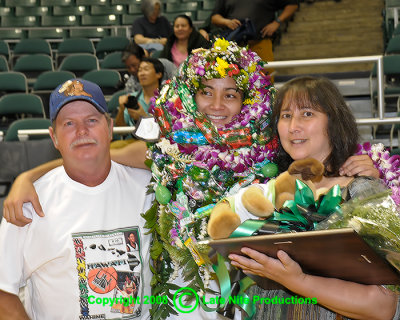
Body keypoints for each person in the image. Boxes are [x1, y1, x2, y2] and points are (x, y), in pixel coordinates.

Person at [1, 40, 384, 318]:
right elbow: (94, 153)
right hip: (190, 304)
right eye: (206, 93)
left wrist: (371, 166)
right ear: (190, 96)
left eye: (230, 95)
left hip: (263, 303)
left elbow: (322, 160)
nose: (217, 106)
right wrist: (28, 176)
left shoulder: (271, 153)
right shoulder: (167, 151)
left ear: (247, 101)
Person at [228, 76, 400, 320]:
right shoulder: (262, 194)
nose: (293, 126)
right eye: (286, 116)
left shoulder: (362, 192)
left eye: (307, 114)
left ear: (334, 123)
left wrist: (298, 281)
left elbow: (383, 306)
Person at [0, 79, 153, 319]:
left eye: (91, 120)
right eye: (69, 123)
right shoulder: (27, 205)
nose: (82, 131)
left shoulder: (149, 187)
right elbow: (3, 292)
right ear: (54, 137)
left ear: (110, 127)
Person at [210, 0, 299, 63]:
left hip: (260, 43)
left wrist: (277, 22)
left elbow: (292, 4)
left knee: (265, 82)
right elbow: (214, 17)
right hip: (233, 47)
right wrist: (226, 22)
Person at [115, 57, 164, 128]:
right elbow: (121, 129)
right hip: (133, 139)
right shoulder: (131, 98)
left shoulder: (167, 100)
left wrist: (143, 118)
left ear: (158, 74)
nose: (142, 73)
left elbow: (170, 129)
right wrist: (121, 109)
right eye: (140, 70)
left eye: (146, 69)